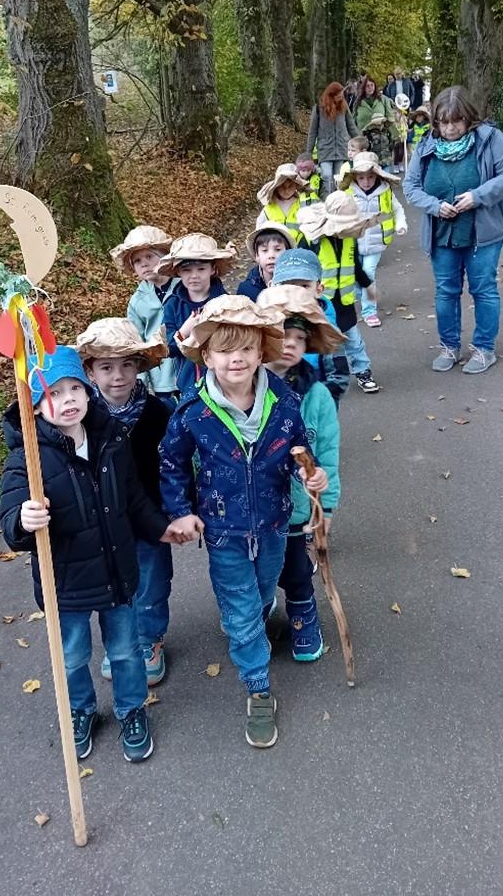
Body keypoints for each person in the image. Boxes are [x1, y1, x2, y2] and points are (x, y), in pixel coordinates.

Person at [0, 346, 191, 764]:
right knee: (71, 657)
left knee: (125, 651)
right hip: (64, 584)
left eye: (74, 390)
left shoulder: (111, 442)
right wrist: (22, 520)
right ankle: (81, 710)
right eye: (53, 394)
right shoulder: (27, 460)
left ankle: (131, 708)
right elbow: (11, 517)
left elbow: (134, 500)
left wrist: (162, 528)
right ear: (34, 405)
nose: (67, 400)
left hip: (117, 574)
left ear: (88, 393)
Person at [159, 295, 328, 749]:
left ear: (260, 353)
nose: (237, 358)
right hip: (223, 530)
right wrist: (182, 511)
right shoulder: (193, 411)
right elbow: (171, 463)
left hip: (273, 523)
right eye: (224, 349)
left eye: (247, 348)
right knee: (240, 611)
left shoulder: (284, 400)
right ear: (207, 356)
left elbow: (297, 448)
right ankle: (258, 686)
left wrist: (310, 472)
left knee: (262, 590)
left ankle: (252, 616)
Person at [76, 318, 173, 686]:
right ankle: (121, 643)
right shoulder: (82, 417)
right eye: (106, 367)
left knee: (151, 580)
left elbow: (174, 465)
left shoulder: (158, 413)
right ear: (90, 372)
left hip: (150, 517)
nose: (117, 376)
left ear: (139, 368)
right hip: (105, 520)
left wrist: (176, 510)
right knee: (113, 583)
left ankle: (149, 638)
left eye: (127, 365)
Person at [403, 85, 503, 374]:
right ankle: (449, 346)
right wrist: (434, 206)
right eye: (443, 122)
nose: (450, 128)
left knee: (483, 289)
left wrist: (477, 196)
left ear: (469, 119)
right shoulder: (426, 145)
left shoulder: (490, 139)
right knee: (446, 291)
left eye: (456, 121)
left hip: (483, 233)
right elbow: (411, 186)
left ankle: (483, 349)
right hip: (443, 233)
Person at [259, 285, 343, 662]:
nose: (291, 344)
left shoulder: (318, 397)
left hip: (295, 510)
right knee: (254, 573)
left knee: (296, 570)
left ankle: (302, 615)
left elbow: (327, 453)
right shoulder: (243, 388)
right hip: (253, 510)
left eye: (299, 337)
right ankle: (254, 613)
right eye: (282, 334)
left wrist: (327, 501)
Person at [297, 191, 384, 393]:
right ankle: (324, 378)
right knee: (323, 344)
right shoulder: (312, 241)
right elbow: (300, 271)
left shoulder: (349, 239)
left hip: (344, 303)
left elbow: (354, 266)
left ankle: (362, 371)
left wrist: (368, 286)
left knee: (354, 341)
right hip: (320, 306)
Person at [265, 248, 351, 406]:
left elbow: (339, 376)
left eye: (304, 286)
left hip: (313, 411)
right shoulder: (266, 323)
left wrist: (318, 404)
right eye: (286, 285)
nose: (294, 293)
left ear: (319, 290)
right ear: (271, 287)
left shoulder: (327, 331)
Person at [111, 225, 179, 410]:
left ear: (164, 257)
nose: (144, 264)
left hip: (189, 368)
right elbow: (136, 342)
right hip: (161, 375)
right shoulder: (137, 301)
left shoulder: (183, 287)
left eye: (150, 257)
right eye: (137, 261)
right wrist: (140, 380)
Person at [159, 233, 236, 394]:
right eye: (187, 270)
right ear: (178, 272)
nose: (194, 276)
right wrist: (184, 332)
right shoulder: (172, 305)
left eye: (201, 269)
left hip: (224, 381)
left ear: (212, 269)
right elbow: (168, 349)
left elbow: (235, 340)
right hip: (188, 383)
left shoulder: (226, 302)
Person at [340, 151, 407, 327]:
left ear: (377, 175)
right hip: (352, 243)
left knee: (368, 273)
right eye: (361, 177)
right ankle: (360, 294)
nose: (366, 181)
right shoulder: (348, 192)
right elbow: (337, 213)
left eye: (370, 177)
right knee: (356, 275)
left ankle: (369, 311)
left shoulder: (385, 191)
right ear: (355, 177)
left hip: (376, 243)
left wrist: (401, 225)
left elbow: (397, 209)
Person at [306, 82, 360, 198]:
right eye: (338, 95)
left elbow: (351, 126)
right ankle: (326, 201)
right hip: (325, 149)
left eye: (342, 95)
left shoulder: (343, 106)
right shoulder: (319, 108)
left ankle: (338, 203)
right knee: (326, 176)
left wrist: (360, 142)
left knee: (339, 177)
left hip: (341, 148)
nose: (341, 97)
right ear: (331, 95)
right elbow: (313, 131)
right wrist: (308, 153)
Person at [255, 161, 322, 240]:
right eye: (282, 186)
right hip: (276, 250)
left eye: (290, 186)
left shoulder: (305, 203)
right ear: (277, 186)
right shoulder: (268, 208)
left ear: (296, 185)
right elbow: (259, 233)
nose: (286, 190)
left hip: (299, 250)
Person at [237, 222, 295, 302]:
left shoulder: (297, 285)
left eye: (277, 250)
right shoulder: (246, 290)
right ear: (257, 256)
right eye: (264, 250)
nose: (271, 255)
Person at [355, 75, 395, 168]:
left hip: (381, 138)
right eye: (367, 86)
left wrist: (383, 124)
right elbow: (354, 121)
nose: (370, 88)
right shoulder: (358, 102)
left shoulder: (383, 99)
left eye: (372, 85)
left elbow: (390, 118)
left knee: (383, 167)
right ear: (363, 88)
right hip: (364, 139)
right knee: (366, 167)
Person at [391, 93, 411, 172]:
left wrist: (407, 129)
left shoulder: (404, 113)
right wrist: (398, 116)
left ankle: (400, 164)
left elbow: (406, 123)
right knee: (397, 152)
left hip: (403, 135)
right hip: (396, 136)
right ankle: (395, 165)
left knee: (402, 152)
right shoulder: (394, 113)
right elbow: (394, 122)